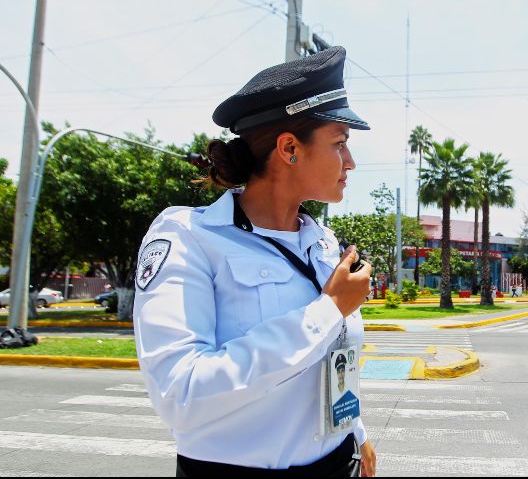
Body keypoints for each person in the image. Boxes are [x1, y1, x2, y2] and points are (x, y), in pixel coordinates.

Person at [133, 47, 376, 477]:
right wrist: (327, 311)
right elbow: (180, 394)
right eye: (340, 143)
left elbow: (335, 357)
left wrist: (355, 431)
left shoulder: (321, 242)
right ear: (289, 148)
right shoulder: (189, 237)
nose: (351, 162)